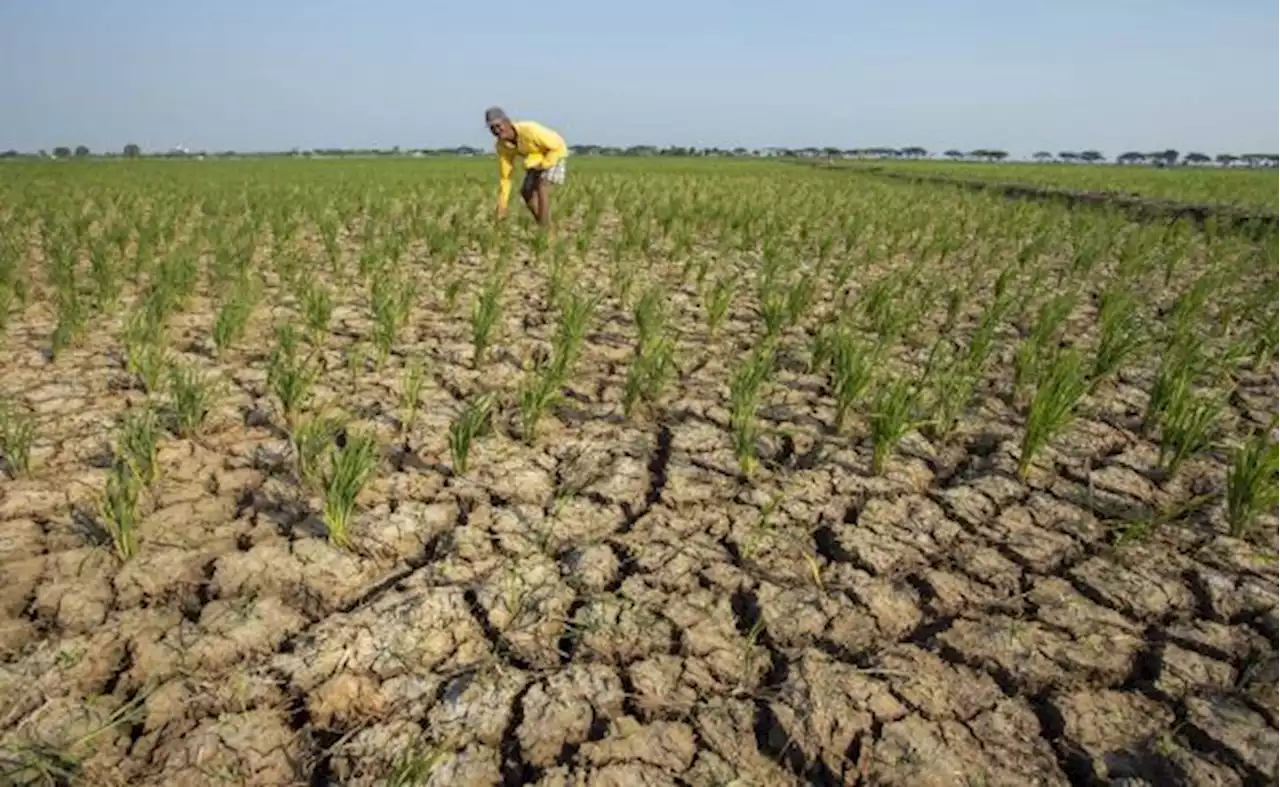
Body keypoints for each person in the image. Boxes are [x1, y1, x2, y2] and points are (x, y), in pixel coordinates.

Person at [485, 107, 568, 228]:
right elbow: (506, 178)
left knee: (542, 185)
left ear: (507, 122)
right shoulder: (502, 146)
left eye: (498, 125)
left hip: (554, 153)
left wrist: (544, 165)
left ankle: (545, 228)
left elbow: (556, 146)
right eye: (492, 128)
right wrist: (502, 205)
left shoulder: (530, 129)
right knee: (526, 192)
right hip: (534, 159)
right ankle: (543, 223)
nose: (496, 131)